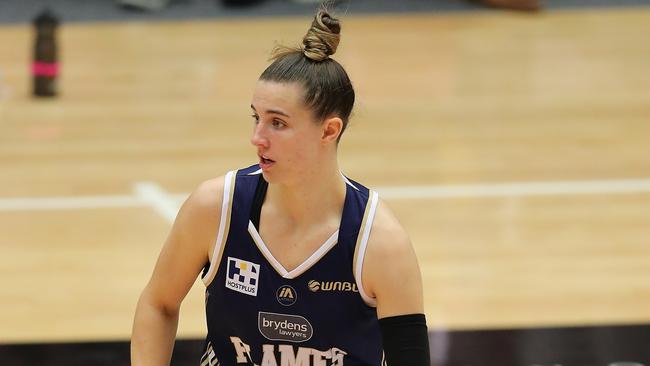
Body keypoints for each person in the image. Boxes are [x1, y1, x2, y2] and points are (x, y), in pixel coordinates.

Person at [131, 7, 429, 366]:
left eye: (278, 123)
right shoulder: (215, 208)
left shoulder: (381, 244)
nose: (257, 138)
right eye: (257, 117)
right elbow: (158, 304)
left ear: (329, 130)